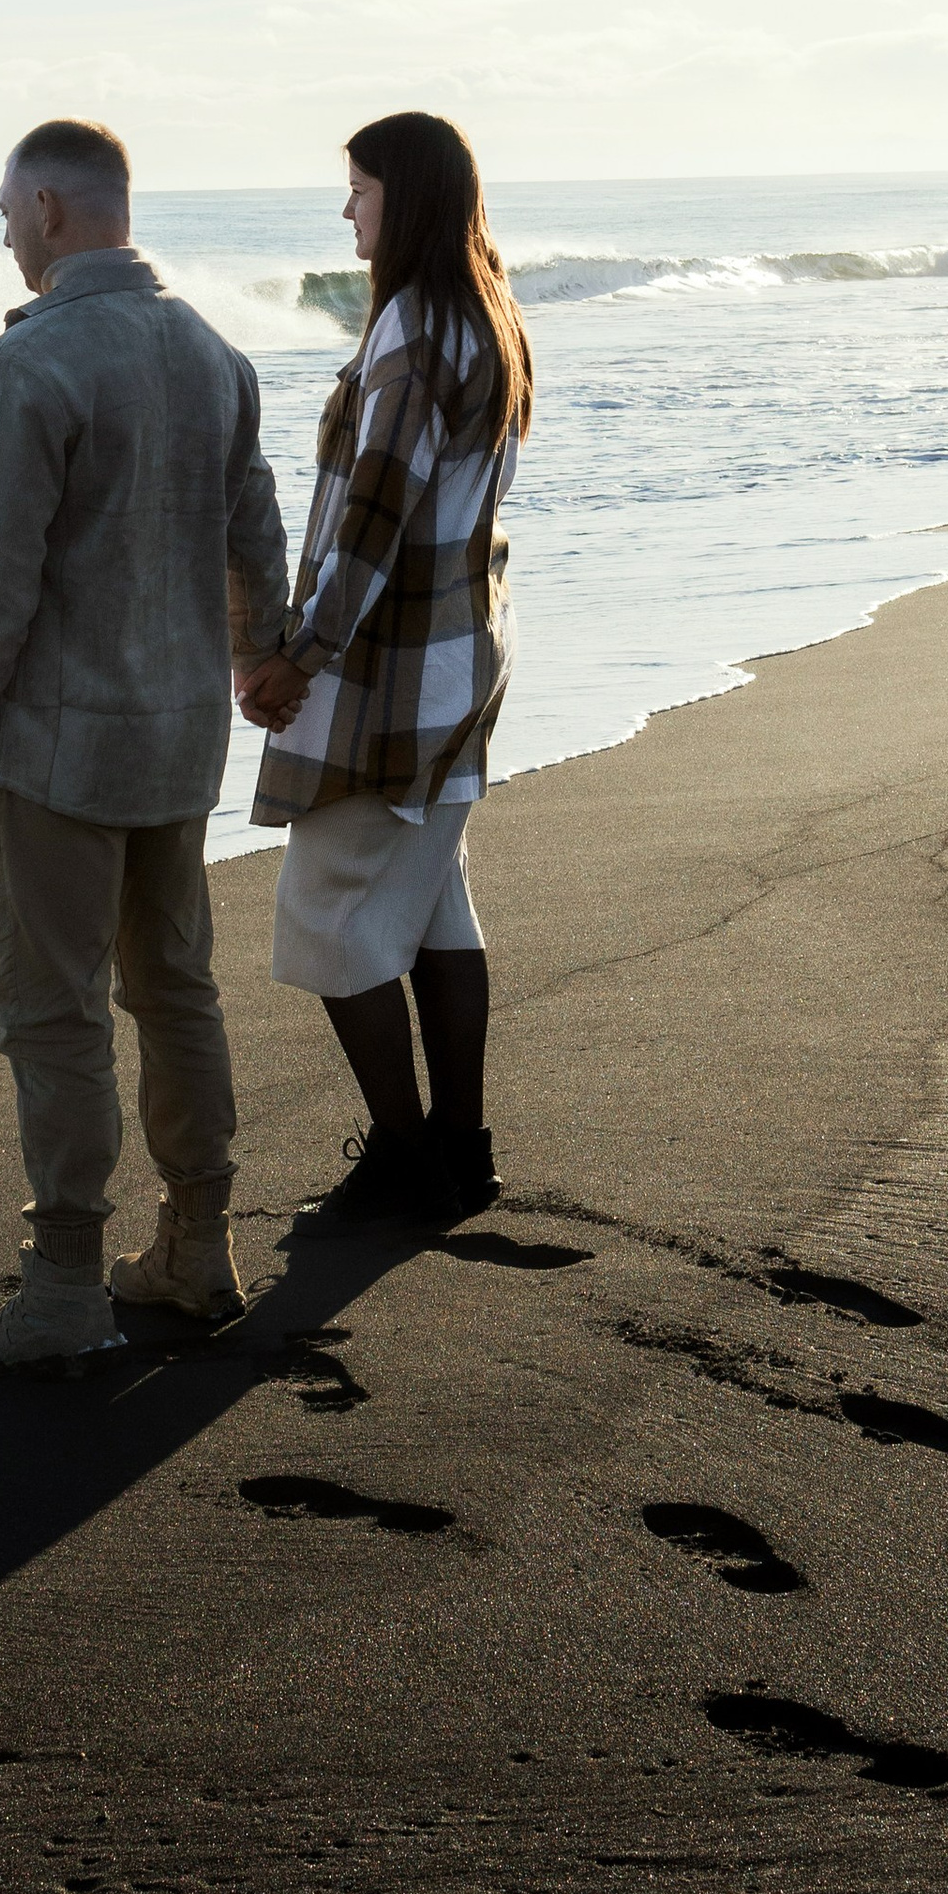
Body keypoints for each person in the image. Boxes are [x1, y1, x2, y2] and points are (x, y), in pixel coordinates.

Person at [0, 118, 288, 1374]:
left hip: (58, 751)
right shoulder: (213, 351)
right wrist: (264, 655)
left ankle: (65, 1288)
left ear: (51, 211)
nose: (6, 235)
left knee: (51, 1012)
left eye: (7, 213)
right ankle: (198, 1248)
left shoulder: (33, 361)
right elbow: (255, 532)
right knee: (174, 990)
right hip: (178, 738)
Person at [238, 111, 532, 1223]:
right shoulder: (486, 316)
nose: (346, 211)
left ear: (402, 199)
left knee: (324, 911)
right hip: (463, 650)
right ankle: (462, 1150)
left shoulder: (413, 325)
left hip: (397, 667)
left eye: (358, 190)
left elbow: (372, 517)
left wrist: (299, 655)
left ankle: (406, 1158)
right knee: (434, 907)